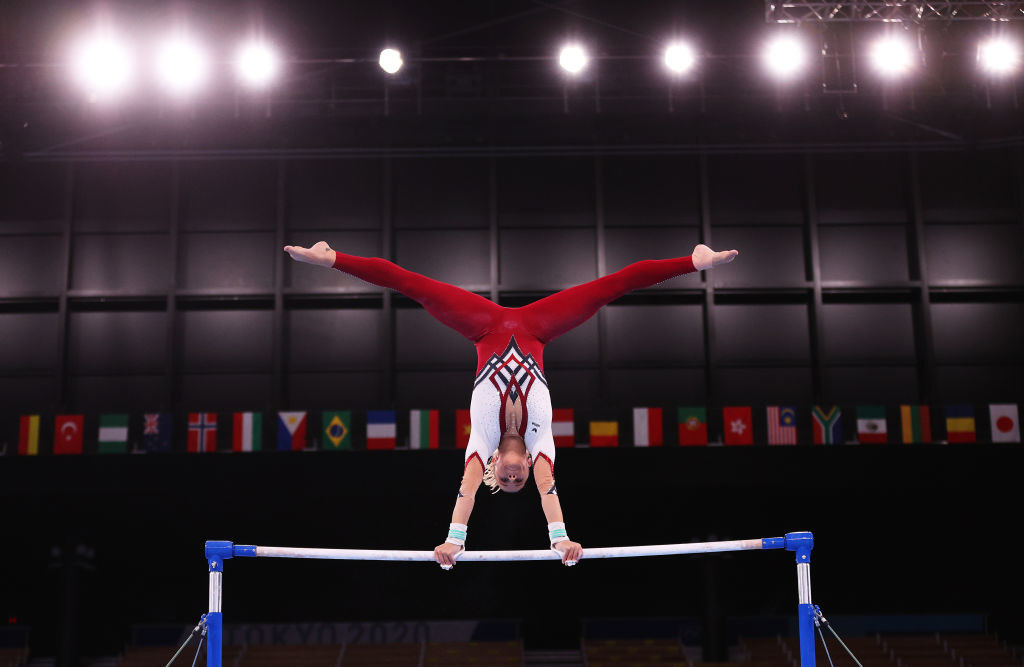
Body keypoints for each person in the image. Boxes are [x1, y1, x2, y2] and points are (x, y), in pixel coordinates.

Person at [284, 241, 738, 569]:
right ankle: (692, 261)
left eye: (506, 479)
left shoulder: (481, 446)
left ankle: (331, 258)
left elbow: (465, 496)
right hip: (537, 330)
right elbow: (549, 493)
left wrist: (453, 542)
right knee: (607, 288)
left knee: (415, 286)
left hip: (484, 330)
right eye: (519, 479)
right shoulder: (542, 449)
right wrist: (560, 540)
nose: (515, 476)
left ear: (494, 469)